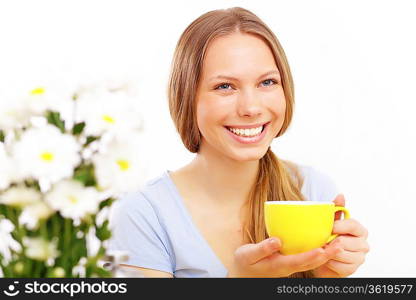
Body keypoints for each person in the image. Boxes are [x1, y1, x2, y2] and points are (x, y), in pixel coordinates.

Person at [108, 7, 369, 278]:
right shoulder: (142, 215)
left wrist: (327, 278)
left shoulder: (312, 191)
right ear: (187, 97)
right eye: (225, 86)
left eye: (267, 82)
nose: (251, 108)